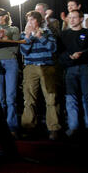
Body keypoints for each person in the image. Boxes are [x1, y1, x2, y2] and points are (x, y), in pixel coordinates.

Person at [20, 11, 61, 140]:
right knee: (29, 99)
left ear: (39, 21)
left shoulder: (47, 32)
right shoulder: (24, 34)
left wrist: (41, 37)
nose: (30, 23)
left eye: (32, 20)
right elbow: (24, 51)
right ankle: (28, 127)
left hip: (46, 66)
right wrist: (29, 37)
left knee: (51, 98)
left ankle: (54, 129)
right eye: (28, 20)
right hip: (30, 67)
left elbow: (53, 48)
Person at [58, 10, 88, 139]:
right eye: (70, 18)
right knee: (71, 98)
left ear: (81, 19)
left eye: (75, 18)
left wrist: (82, 54)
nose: (72, 20)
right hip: (70, 69)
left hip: (85, 67)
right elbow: (59, 53)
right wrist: (69, 57)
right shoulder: (64, 34)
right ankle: (73, 127)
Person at [0, 9, 20, 136]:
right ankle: (0, 126)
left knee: (11, 97)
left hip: (11, 61)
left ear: (5, 16)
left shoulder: (14, 29)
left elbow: (15, 49)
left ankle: (12, 127)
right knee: (0, 98)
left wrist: (5, 38)